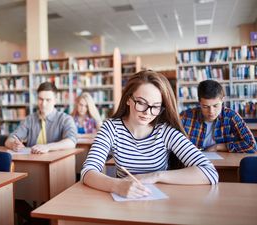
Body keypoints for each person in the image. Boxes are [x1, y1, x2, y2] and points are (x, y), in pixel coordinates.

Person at [81, 70, 218, 199]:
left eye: (156, 106)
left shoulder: (166, 132)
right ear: (128, 99)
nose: (147, 112)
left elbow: (209, 173)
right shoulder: (111, 128)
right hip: (123, 199)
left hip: (157, 202)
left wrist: (156, 176)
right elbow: (88, 171)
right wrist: (117, 185)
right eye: (141, 103)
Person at [180, 80, 257, 153]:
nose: (211, 111)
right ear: (199, 102)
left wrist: (217, 147)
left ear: (222, 100)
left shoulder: (231, 116)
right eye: (205, 106)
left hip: (222, 164)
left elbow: (251, 145)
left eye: (215, 106)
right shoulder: (186, 116)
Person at [5, 82, 77, 153]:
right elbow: (10, 139)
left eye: (48, 100)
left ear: (55, 100)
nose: (43, 104)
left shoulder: (65, 119)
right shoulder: (29, 119)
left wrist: (47, 147)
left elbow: (71, 141)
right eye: (40, 99)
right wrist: (13, 145)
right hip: (33, 160)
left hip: (56, 162)